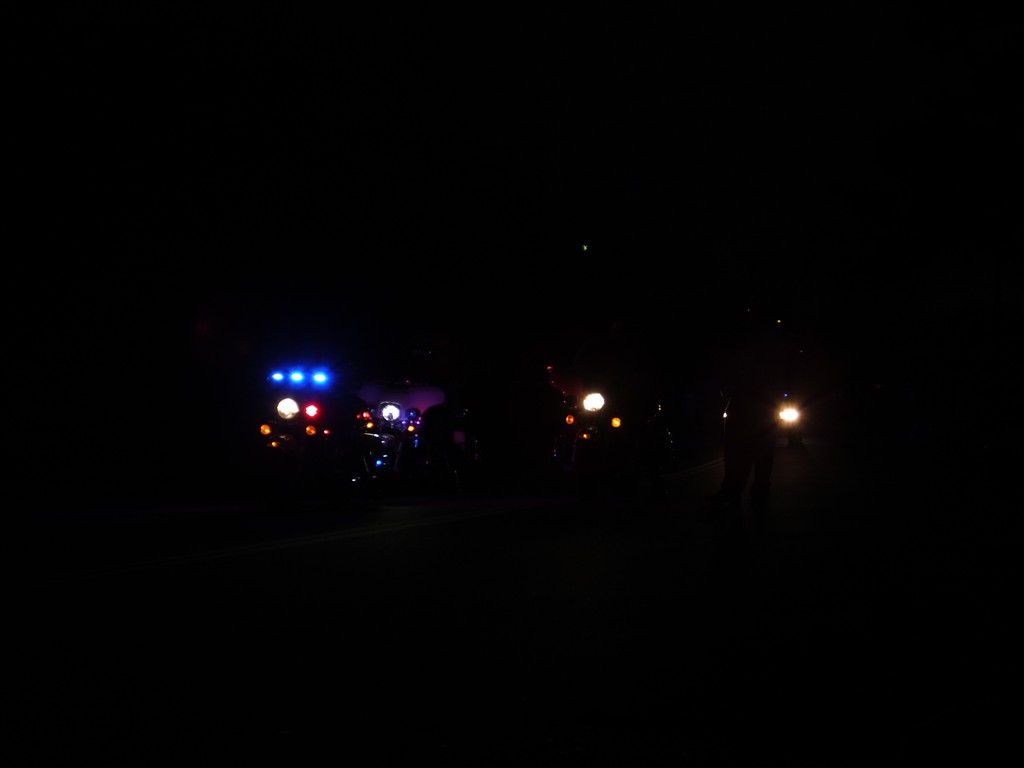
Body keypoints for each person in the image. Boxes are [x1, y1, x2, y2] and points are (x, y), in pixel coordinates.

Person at [706, 304, 800, 533]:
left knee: (755, 454)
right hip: (748, 408)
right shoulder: (748, 351)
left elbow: (783, 379)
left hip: (757, 409)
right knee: (743, 453)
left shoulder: (765, 353)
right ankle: (739, 491)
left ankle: (751, 493)